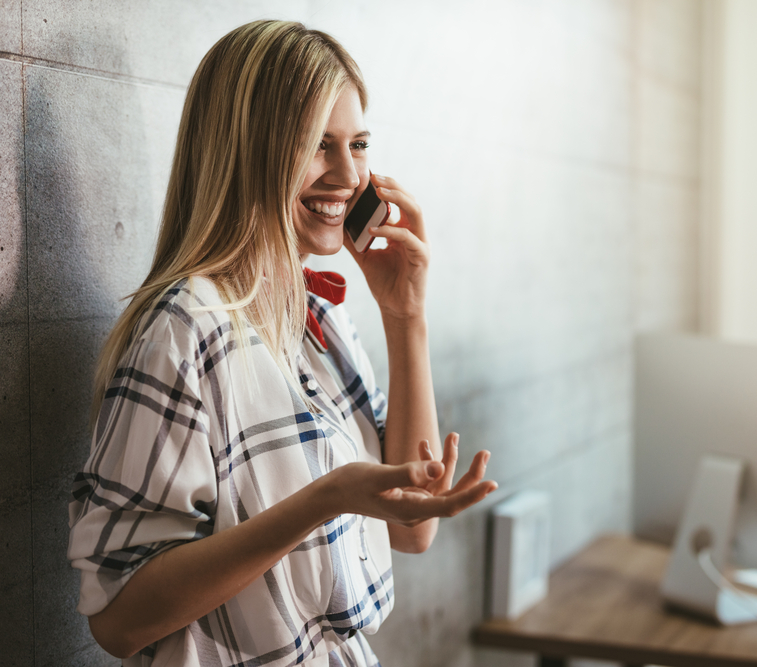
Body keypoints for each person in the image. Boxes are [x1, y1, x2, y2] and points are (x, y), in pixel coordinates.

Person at [66, 20, 497, 667]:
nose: (349, 175)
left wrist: (406, 316)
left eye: (358, 145)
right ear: (250, 149)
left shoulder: (321, 316)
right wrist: (325, 499)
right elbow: (120, 619)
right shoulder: (183, 330)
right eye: (318, 146)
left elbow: (413, 525)